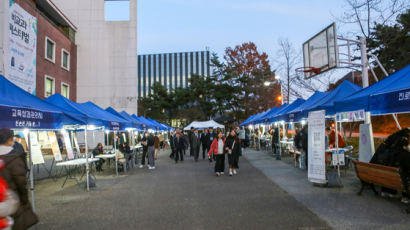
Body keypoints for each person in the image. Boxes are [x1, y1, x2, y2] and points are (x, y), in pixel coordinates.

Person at [0, 128, 38, 229]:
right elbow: (21, 182)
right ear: (9, 140)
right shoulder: (14, 158)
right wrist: (24, 199)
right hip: (12, 201)